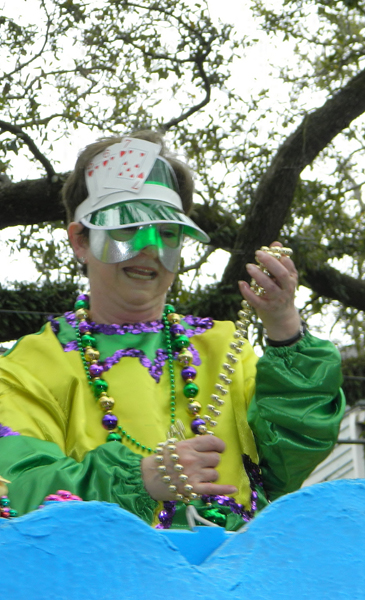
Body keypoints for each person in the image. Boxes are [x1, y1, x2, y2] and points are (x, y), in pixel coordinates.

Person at [0, 131, 346, 529]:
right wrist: (142, 478)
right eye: (127, 227)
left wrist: (284, 326)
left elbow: (288, 462)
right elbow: (17, 491)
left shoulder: (223, 348)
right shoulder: (27, 367)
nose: (150, 248)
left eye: (167, 232)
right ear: (81, 240)